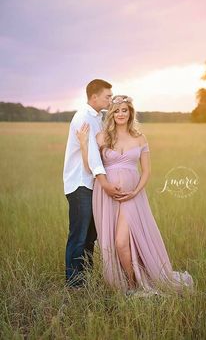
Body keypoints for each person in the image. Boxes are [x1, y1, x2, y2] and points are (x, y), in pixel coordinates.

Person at [77, 95, 194, 296]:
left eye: (125, 110)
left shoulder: (140, 138)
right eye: (117, 110)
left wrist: (135, 193)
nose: (121, 114)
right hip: (106, 196)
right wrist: (83, 144)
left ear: (130, 112)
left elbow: (147, 171)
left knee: (122, 242)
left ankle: (132, 285)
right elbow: (90, 168)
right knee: (116, 242)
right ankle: (130, 282)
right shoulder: (102, 137)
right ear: (111, 114)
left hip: (133, 197)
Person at [63, 79, 124, 288]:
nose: (110, 99)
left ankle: (85, 278)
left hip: (93, 183)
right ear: (94, 96)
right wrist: (106, 183)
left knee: (91, 235)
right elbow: (92, 156)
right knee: (79, 235)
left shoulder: (99, 117)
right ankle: (74, 284)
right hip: (81, 183)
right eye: (107, 96)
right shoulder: (83, 117)